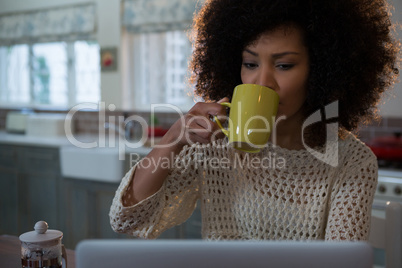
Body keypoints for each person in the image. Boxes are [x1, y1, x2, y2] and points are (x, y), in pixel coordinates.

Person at [109, 0, 400, 241]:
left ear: (323, 70)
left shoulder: (351, 161)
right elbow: (127, 219)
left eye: (284, 65)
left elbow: (341, 262)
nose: (261, 82)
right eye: (250, 64)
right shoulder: (215, 144)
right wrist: (173, 138)